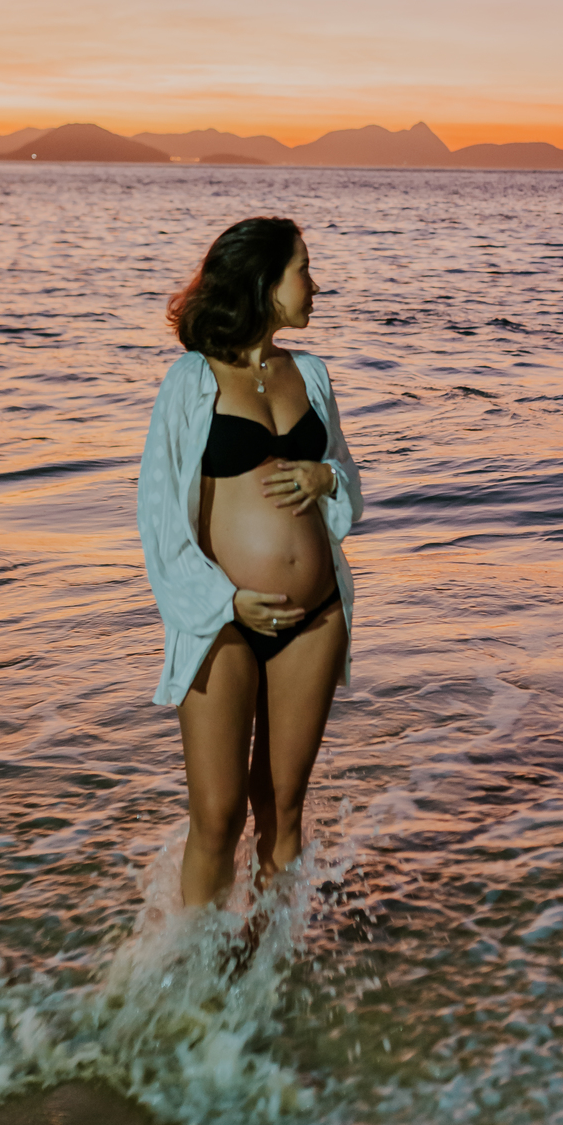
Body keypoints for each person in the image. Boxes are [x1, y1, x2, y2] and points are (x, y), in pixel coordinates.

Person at [138, 216, 363, 907]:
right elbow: (159, 519)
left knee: (283, 812)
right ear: (265, 284)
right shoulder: (190, 381)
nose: (315, 285)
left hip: (315, 617)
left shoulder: (312, 375)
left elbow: (349, 484)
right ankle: (196, 985)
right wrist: (224, 602)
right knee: (218, 816)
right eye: (303, 268)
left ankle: (263, 980)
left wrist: (327, 480)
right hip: (222, 621)